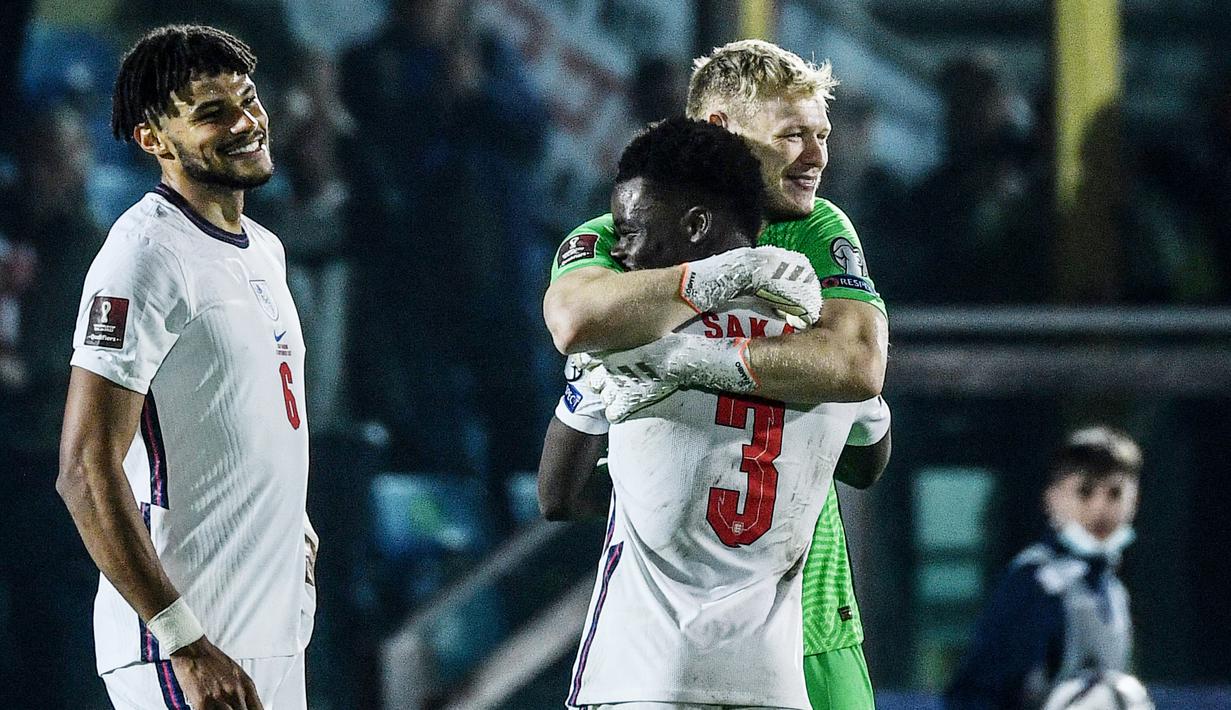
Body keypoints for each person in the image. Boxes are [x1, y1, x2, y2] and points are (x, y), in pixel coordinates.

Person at [541, 40, 889, 709]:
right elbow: (573, 318)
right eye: (792, 135)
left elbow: (856, 365)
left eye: (821, 135)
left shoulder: (815, 228)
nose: (816, 156)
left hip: (811, 621)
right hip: (723, 636)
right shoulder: (631, 228)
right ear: (723, 130)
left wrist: (679, 363)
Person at [56, 25, 315, 710]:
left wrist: (297, 524)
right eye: (210, 111)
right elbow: (85, 471)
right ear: (154, 140)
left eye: (247, 99)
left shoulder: (263, 249)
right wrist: (185, 643)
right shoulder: (143, 257)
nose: (244, 122)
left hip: (271, 634)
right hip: (188, 646)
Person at [945, 426, 1143, 710]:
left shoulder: (1114, 590)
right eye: (1085, 492)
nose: (1100, 507)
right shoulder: (1035, 584)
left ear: (1134, 500)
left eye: (1115, 493)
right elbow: (973, 695)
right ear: (1053, 498)